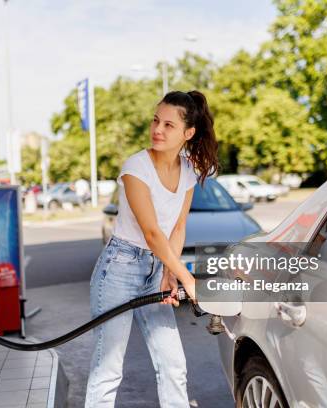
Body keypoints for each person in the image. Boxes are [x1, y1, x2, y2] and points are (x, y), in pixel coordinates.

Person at [84, 90, 219, 408]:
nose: (158, 129)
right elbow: (152, 232)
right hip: (119, 267)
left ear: (188, 133)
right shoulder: (136, 168)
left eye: (169, 125)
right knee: (108, 369)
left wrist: (169, 275)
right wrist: (187, 278)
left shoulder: (187, 171)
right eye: (156, 121)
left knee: (173, 365)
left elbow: (178, 228)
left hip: (155, 269)